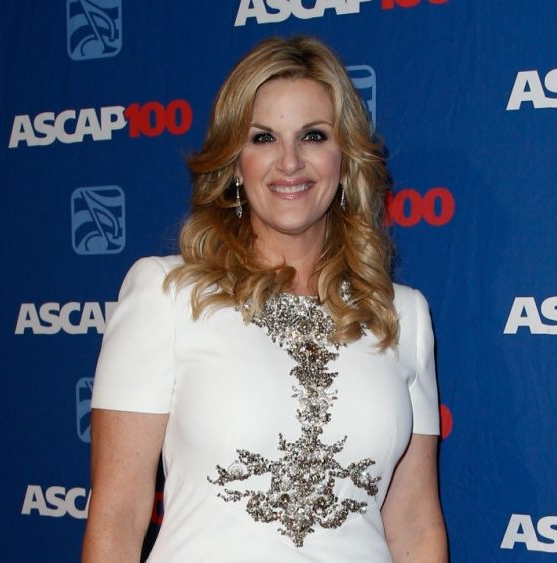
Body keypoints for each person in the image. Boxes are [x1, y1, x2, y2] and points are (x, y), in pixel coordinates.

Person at [82, 36, 447, 563]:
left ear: (345, 158)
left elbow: (415, 525)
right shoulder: (168, 294)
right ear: (235, 163)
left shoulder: (402, 316)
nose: (290, 162)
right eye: (263, 138)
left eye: (313, 136)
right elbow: (117, 517)